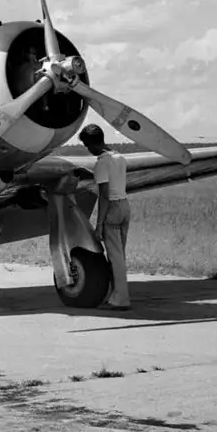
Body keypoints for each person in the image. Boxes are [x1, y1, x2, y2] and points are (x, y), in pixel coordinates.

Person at [80, 124, 130, 310]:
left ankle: (120, 300)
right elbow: (113, 179)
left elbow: (105, 195)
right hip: (125, 206)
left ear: (93, 143)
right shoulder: (120, 157)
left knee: (114, 258)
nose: (87, 149)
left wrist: (99, 224)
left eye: (86, 145)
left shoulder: (101, 162)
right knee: (120, 256)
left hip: (112, 211)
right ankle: (116, 295)